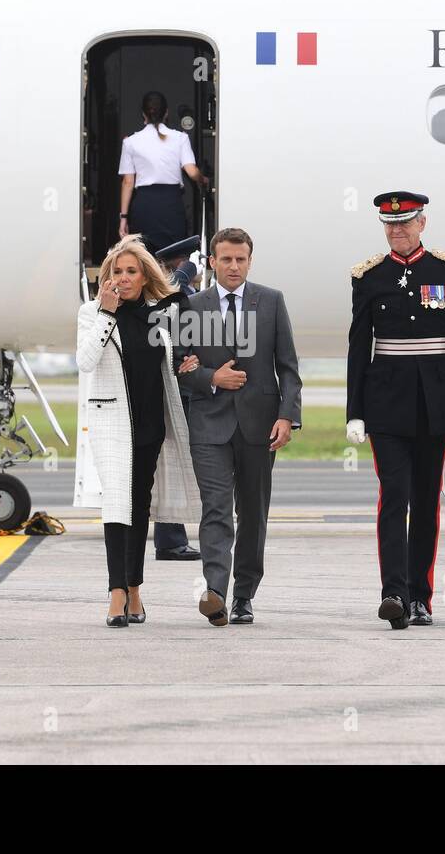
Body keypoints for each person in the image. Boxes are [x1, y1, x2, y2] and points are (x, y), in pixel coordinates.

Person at [346, 192, 445, 629]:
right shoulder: (369, 276)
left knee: (425, 502)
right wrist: (355, 410)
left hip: (435, 404)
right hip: (385, 405)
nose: (397, 230)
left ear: (423, 223)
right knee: (393, 499)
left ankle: (420, 597)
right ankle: (394, 594)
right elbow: (358, 347)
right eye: (390, 224)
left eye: (405, 223)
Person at [175, 228, 303, 626]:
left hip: (260, 425)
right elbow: (181, 365)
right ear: (212, 262)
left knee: (252, 512)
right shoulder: (192, 306)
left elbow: (288, 368)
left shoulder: (272, 301)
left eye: (241, 259)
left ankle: (244, 595)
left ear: (250, 261)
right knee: (215, 508)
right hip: (209, 425)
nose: (233, 266)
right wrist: (213, 378)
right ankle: (215, 591)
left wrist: (287, 416)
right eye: (226, 259)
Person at [76, 236, 201, 626]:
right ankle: (116, 593)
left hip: (150, 423)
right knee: (116, 504)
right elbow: (86, 361)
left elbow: (171, 355)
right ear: (108, 275)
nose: (125, 277)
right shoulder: (91, 312)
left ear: (145, 276)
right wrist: (107, 314)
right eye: (118, 270)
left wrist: (187, 361)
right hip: (111, 421)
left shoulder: (159, 312)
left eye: (132, 271)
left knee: (138, 508)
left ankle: (134, 589)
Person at [151, 235, 203, 562]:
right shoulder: (170, 292)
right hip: (175, 387)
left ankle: (173, 537)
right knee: (172, 457)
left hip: (188, 386)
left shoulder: (191, 294)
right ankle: (169, 540)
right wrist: (179, 277)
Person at [117, 91, 208, 255]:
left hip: (144, 204)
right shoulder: (180, 138)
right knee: (174, 256)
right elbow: (192, 172)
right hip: (171, 203)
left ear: (143, 114)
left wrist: (124, 217)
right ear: (166, 113)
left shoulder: (130, 142)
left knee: (144, 257)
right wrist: (204, 179)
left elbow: (128, 182)